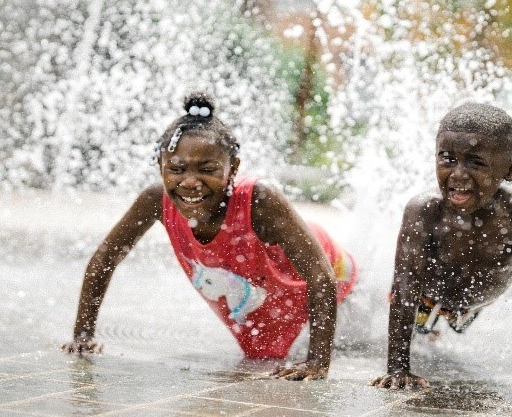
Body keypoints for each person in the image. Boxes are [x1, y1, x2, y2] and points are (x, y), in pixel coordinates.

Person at [63, 93, 357, 380]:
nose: (190, 182)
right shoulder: (157, 200)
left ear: (233, 169)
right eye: (176, 169)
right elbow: (106, 257)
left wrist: (318, 364)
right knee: (265, 355)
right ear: (161, 167)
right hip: (270, 295)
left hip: (335, 277)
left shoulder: (260, 199)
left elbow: (321, 277)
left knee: (354, 341)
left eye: (208, 169)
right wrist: (83, 335)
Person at [370, 102, 512, 395]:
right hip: (429, 293)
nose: (458, 174)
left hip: (477, 300)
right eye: (447, 159)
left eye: (476, 163)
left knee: (456, 321)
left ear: (510, 171)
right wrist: (397, 369)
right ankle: (429, 324)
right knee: (419, 322)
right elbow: (404, 286)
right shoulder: (424, 210)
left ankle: (449, 319)